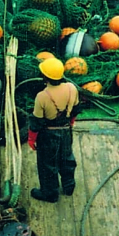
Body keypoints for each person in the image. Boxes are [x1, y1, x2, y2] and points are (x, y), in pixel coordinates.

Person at [27, 57, 80, 202]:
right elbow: (75, 110)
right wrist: (71, 123)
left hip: (48, 134)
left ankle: (50, 193)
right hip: (66, 131)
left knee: (48, 164)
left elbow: (37, 122)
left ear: (45, 77)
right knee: (67, 158)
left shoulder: (42, 96)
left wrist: (32, 139)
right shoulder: (71, 88)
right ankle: (69, 186)